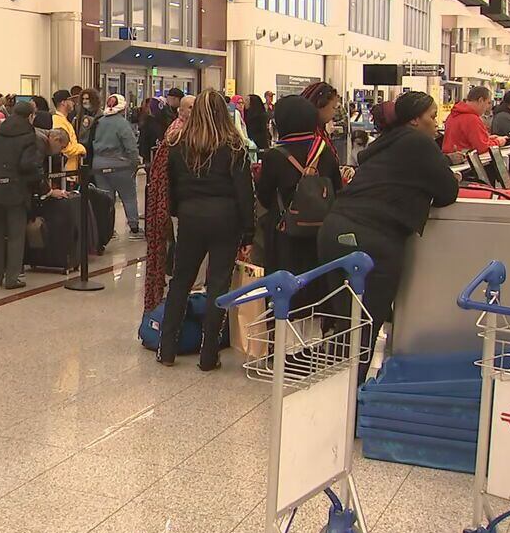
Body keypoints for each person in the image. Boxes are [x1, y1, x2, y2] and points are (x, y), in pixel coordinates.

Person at [317, 91, 459, 371]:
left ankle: (336, 395)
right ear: (416, 120)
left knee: (347, 325)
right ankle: (350, 405)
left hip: (334, 230)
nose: (436, 123)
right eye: (432, 117)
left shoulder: (384, 144)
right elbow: (447, 192)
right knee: (365, 329)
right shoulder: (420, 142)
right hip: (373, 238)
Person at [143, 89, 253, 370]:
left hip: (191, 218)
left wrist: (181, 213)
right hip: (226, 219)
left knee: (180, 281)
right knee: (218, 284)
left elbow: (174, 190)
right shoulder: (235, 147)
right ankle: (209, 355)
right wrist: (248, 231)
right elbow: (244, 193)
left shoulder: (180, 145)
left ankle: (166, 349)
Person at [257, 96, 343, 313]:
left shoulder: (274, 156)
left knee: (286, 286)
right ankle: (315, 332)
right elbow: (337, 189)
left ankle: (286, 336)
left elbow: (264, 196)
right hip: (321, 230)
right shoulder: (324, 151)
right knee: (316, 283)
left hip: (285, 232)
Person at [0, 99, 42, 289]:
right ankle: (12, 278)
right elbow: (27, 165)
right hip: (15, 190)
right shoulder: (29, 136)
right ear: (30, 116)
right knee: (15, 235)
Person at [90, 93, 143, 239]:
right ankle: (134, 229)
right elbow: (131, 147)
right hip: (120, 165)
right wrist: (135, 163)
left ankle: (107, 231)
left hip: (98, 164)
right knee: (128, 196)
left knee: (106, 199)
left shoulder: (99, 121)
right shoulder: (122, 123)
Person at [442, 86, 503, 156]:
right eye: (488, 103)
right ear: (481, 100)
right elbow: (482, 148)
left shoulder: (453, 114)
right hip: (463, 162)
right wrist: (498, 142)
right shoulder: (472, 119)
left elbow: (462, 139)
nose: (488, 107)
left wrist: (487, 139)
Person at [50, 90, 86, 174]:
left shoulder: (63, 120)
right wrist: (81, 149)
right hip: (66, 169)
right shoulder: (58, 121)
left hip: (70, 167)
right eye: (71, 100)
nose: (73, 103)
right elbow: (63, 146)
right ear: (63, 102)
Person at [138, 98, 165, 165]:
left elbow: (143, 141)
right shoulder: (163, 121)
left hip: (150, 157)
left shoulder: (147, 123)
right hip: (160, 157)